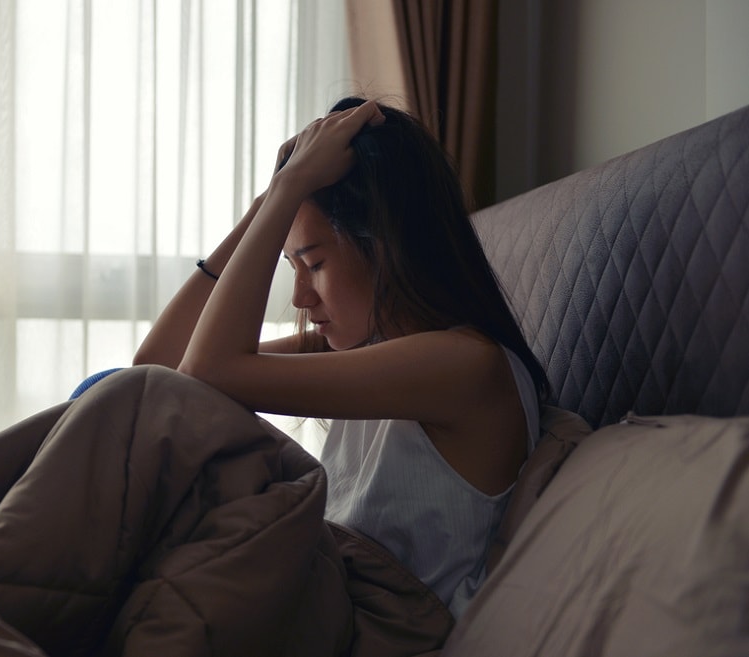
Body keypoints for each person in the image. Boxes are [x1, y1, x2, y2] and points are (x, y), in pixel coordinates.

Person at [132, 96, 551, 618]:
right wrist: (268, 204)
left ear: (388, 244)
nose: (301, 299)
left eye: (315, 264)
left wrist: (289, 191)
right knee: (114, 409)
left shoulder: (465, 365)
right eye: (293, 267)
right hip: (320, 601)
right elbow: (154, 375)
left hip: (375, 627)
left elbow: (204, 370)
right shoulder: (368, 346)